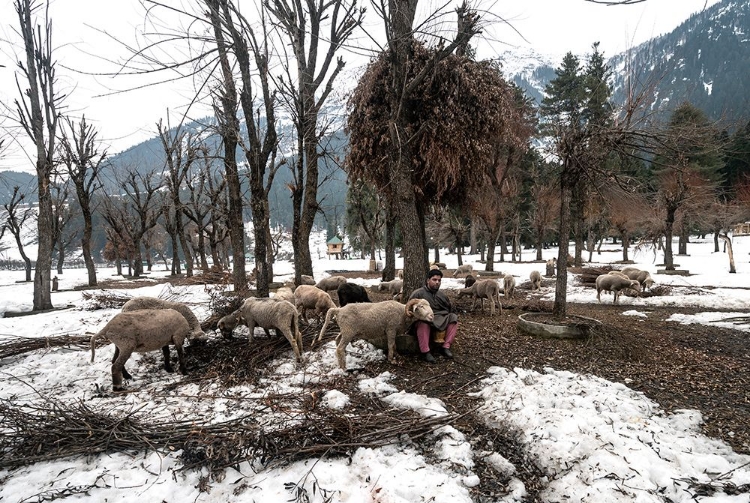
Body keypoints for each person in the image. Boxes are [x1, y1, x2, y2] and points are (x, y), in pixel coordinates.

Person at [408, 268, 458, 363]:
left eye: (439, 280)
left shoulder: (442, 295)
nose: (437, 282)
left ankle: (445, 347)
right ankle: (425, 352)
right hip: (425, 318)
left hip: (440, 319)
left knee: (453, 318)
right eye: (434, 280)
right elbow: (411, 310)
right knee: (423, 323)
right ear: (428, 280)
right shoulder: (418, 293)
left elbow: (448, 309)